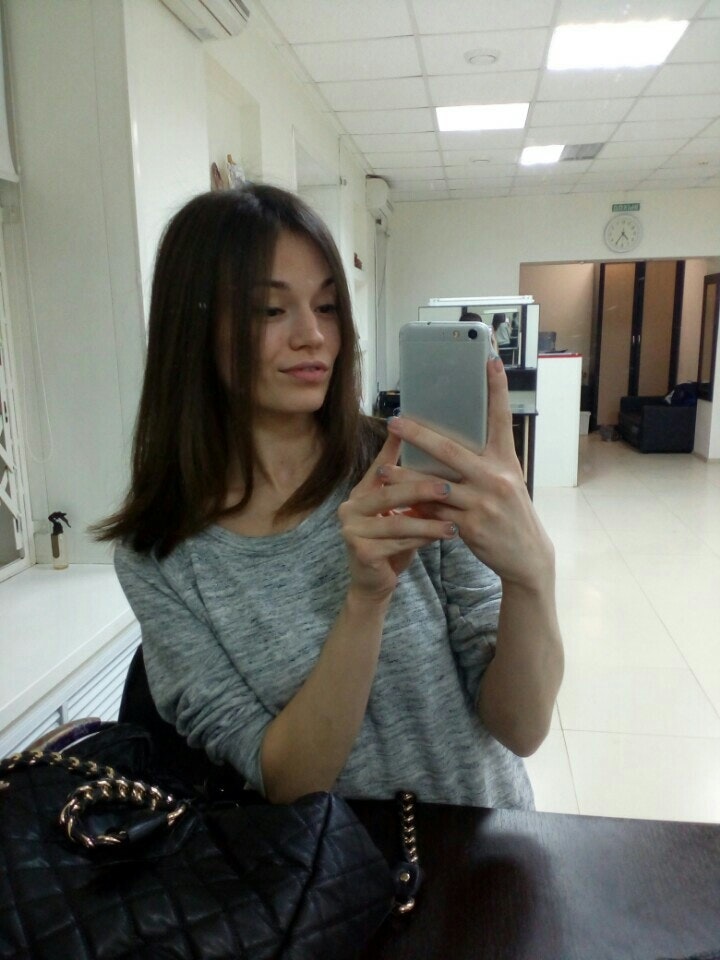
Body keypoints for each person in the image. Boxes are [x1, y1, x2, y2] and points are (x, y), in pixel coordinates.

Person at [98, 184, 563, 809]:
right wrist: (364, 602)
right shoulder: (161, 555)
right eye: (270, 310)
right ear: (193, 327)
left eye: (327, 306)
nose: (313, 335)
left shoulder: (407, 470)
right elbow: (287, 779)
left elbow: (522, 728)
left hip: (477, 846)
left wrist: (533, 574)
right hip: (321, 865)